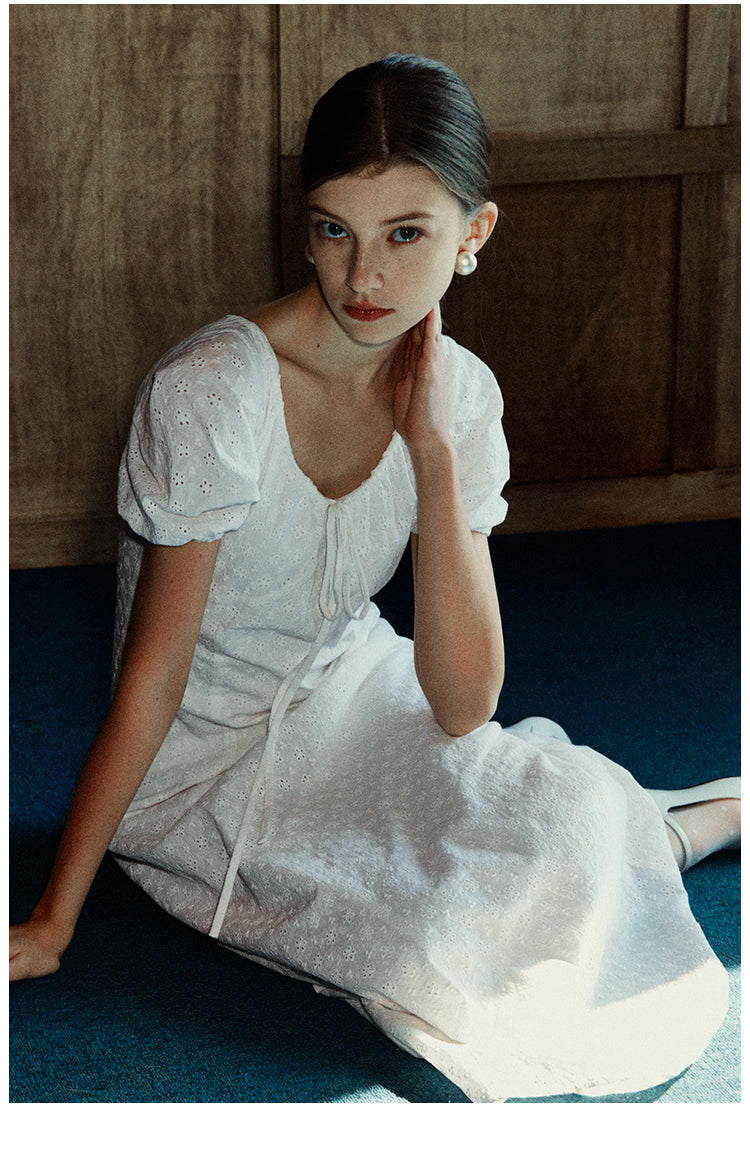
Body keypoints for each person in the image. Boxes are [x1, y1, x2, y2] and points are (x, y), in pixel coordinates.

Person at [9, 55, 740, 1103]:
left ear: (474, 234)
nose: (362, 278)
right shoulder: (209, 390)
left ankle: (684, 818)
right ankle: (666, 827)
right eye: (334, 230)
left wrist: (432, 452)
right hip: (200, 772)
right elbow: (153, 678)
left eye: (406, 235)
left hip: (349, 692)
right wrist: (53, 919)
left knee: (560, 809)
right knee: (445, 949)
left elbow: (462, 703)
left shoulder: (463, 397)